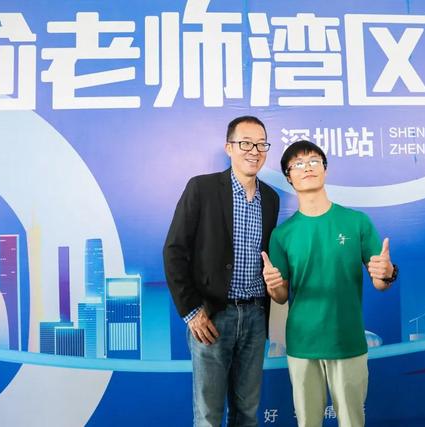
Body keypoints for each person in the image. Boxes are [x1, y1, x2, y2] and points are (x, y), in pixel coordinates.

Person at [261, 140, 398, 427]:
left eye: (313, 161)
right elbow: (281, 296)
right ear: (289, 176)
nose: (307, 168)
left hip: (347, 340)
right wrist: (273, 284)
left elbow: (380, 282)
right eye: (298, 164)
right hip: (302, 344)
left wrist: (387, 272)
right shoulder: (282, 235)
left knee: (352, 421)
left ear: (325, 169)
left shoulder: (356, 222)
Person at [163, 116, 280, 426]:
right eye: (245, 143)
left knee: (247, 413)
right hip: (213, 317)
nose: (254, 151)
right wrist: (192, 312)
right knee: (209, 415)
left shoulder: (271, 198)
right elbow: (174, 251)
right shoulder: (202, 188)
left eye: (261, 144)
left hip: (255, 318)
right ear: (229, 148)